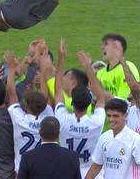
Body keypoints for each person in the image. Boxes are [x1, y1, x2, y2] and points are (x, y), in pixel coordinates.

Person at [53, 39, 105, 178]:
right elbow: (100, 97)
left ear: (72, 102)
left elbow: (57, 91)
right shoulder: (96, 123)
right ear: (89, 103)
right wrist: (88, 67)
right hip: (91, 174)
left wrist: (61, 58)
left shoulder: (62, 119)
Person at [5, 51, 54, 173]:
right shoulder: (47, 119)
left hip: (22, 171)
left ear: (26, 107)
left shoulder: (19, 119)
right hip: (43, 171)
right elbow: (44, 96)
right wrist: (42, 71)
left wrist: (11, 69)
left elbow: (11, 93)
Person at [85, 99, 140, 179]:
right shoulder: (104, 138)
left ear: (125, 115)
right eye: (109, 116)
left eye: (115, 116)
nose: (111, 120)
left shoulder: (136, 139)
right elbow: (96, 167)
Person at [104, 42, 140, 139]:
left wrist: (122, 61)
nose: (136, 84)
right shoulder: (126, 105)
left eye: (139, 84)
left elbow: (133, 87)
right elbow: (103, 95)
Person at [96, 33, 140, 100]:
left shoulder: (127, 69)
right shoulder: (100, 73)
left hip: (122, 109)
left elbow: (123, 101)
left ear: (117, 47)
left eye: (106, 44)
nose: (102, 47)